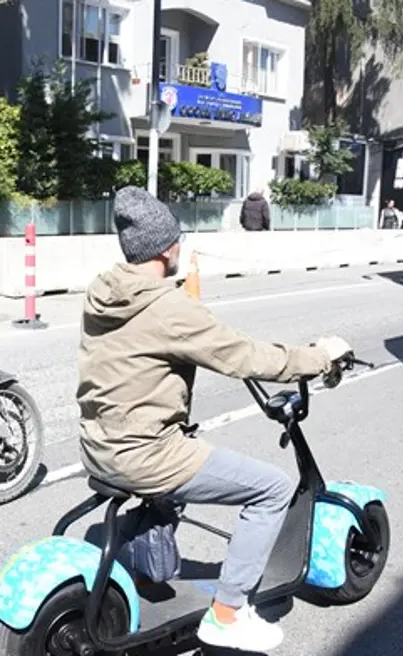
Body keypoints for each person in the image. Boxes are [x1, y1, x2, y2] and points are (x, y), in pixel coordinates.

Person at [76, 186, 352, 652]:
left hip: (97, 445)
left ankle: (145, 555)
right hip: (145, 455)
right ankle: (227, 614)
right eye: (179, 241)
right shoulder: (168, 306)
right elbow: (244, 356)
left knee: (189, 454)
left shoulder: (102, 292)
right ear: (167, 248)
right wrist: (319, 357)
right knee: (273, 488)